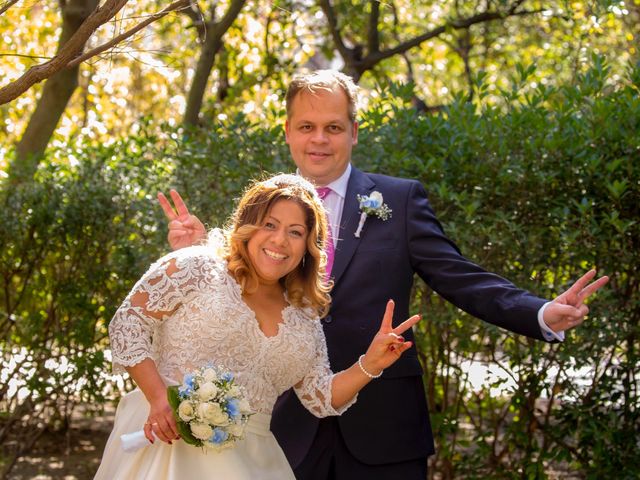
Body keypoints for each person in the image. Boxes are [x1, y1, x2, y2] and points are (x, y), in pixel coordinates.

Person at [159, 70, 609, 479]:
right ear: (288, 133)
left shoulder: (400, 199)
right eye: (307, 127)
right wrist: (201, 252)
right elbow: (234, 297)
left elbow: (459, 277)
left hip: (383, 423)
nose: (320, 139)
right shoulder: (262, 206)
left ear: (354, 132)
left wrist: (541, 313)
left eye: (333, 127)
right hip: (283, 422)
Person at [94, 173, 420, 480]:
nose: (280, 240)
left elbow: (320, 397)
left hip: (253, 462)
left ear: (308, 245)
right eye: (270, 224)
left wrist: (371, 364)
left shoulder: (304, 316)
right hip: (168, 446)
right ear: (248, 225)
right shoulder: (196, 267)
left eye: (295, 232)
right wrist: (159, 398)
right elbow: (128, 324)